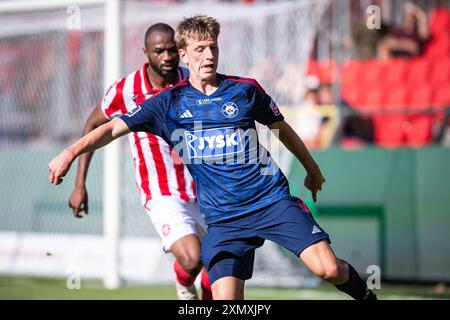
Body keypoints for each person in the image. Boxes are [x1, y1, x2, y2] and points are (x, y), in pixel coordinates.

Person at [49, 15, 377, 300]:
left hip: (271, 202)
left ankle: (364, 295)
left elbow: (282, 129)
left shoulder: (245, 90)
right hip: (223, 220)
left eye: (214, 47)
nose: (209, 56)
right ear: (184, 56)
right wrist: (69, 152)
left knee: (329, 268)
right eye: (200, 49)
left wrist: (311, 168)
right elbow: (110, 129)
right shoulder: (167, 103)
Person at [66, 23, 211, 300]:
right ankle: (183, 284)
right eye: (159, 51)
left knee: (218, 267)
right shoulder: (126, 90)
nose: (167, 57)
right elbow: (93, 125)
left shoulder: (194, 80)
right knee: (192, 260)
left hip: (203, 187)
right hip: (161, 191)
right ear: (145, 52)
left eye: (172, 50)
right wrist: (79, 184)